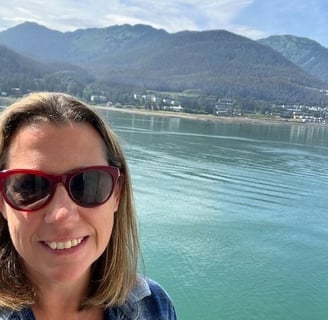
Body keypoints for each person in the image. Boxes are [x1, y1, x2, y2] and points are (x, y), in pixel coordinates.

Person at [0, 92, 177, 320]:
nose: (62, 215)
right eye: (30, 186)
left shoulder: (152, 306)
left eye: (88, 184)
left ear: (117, 193)